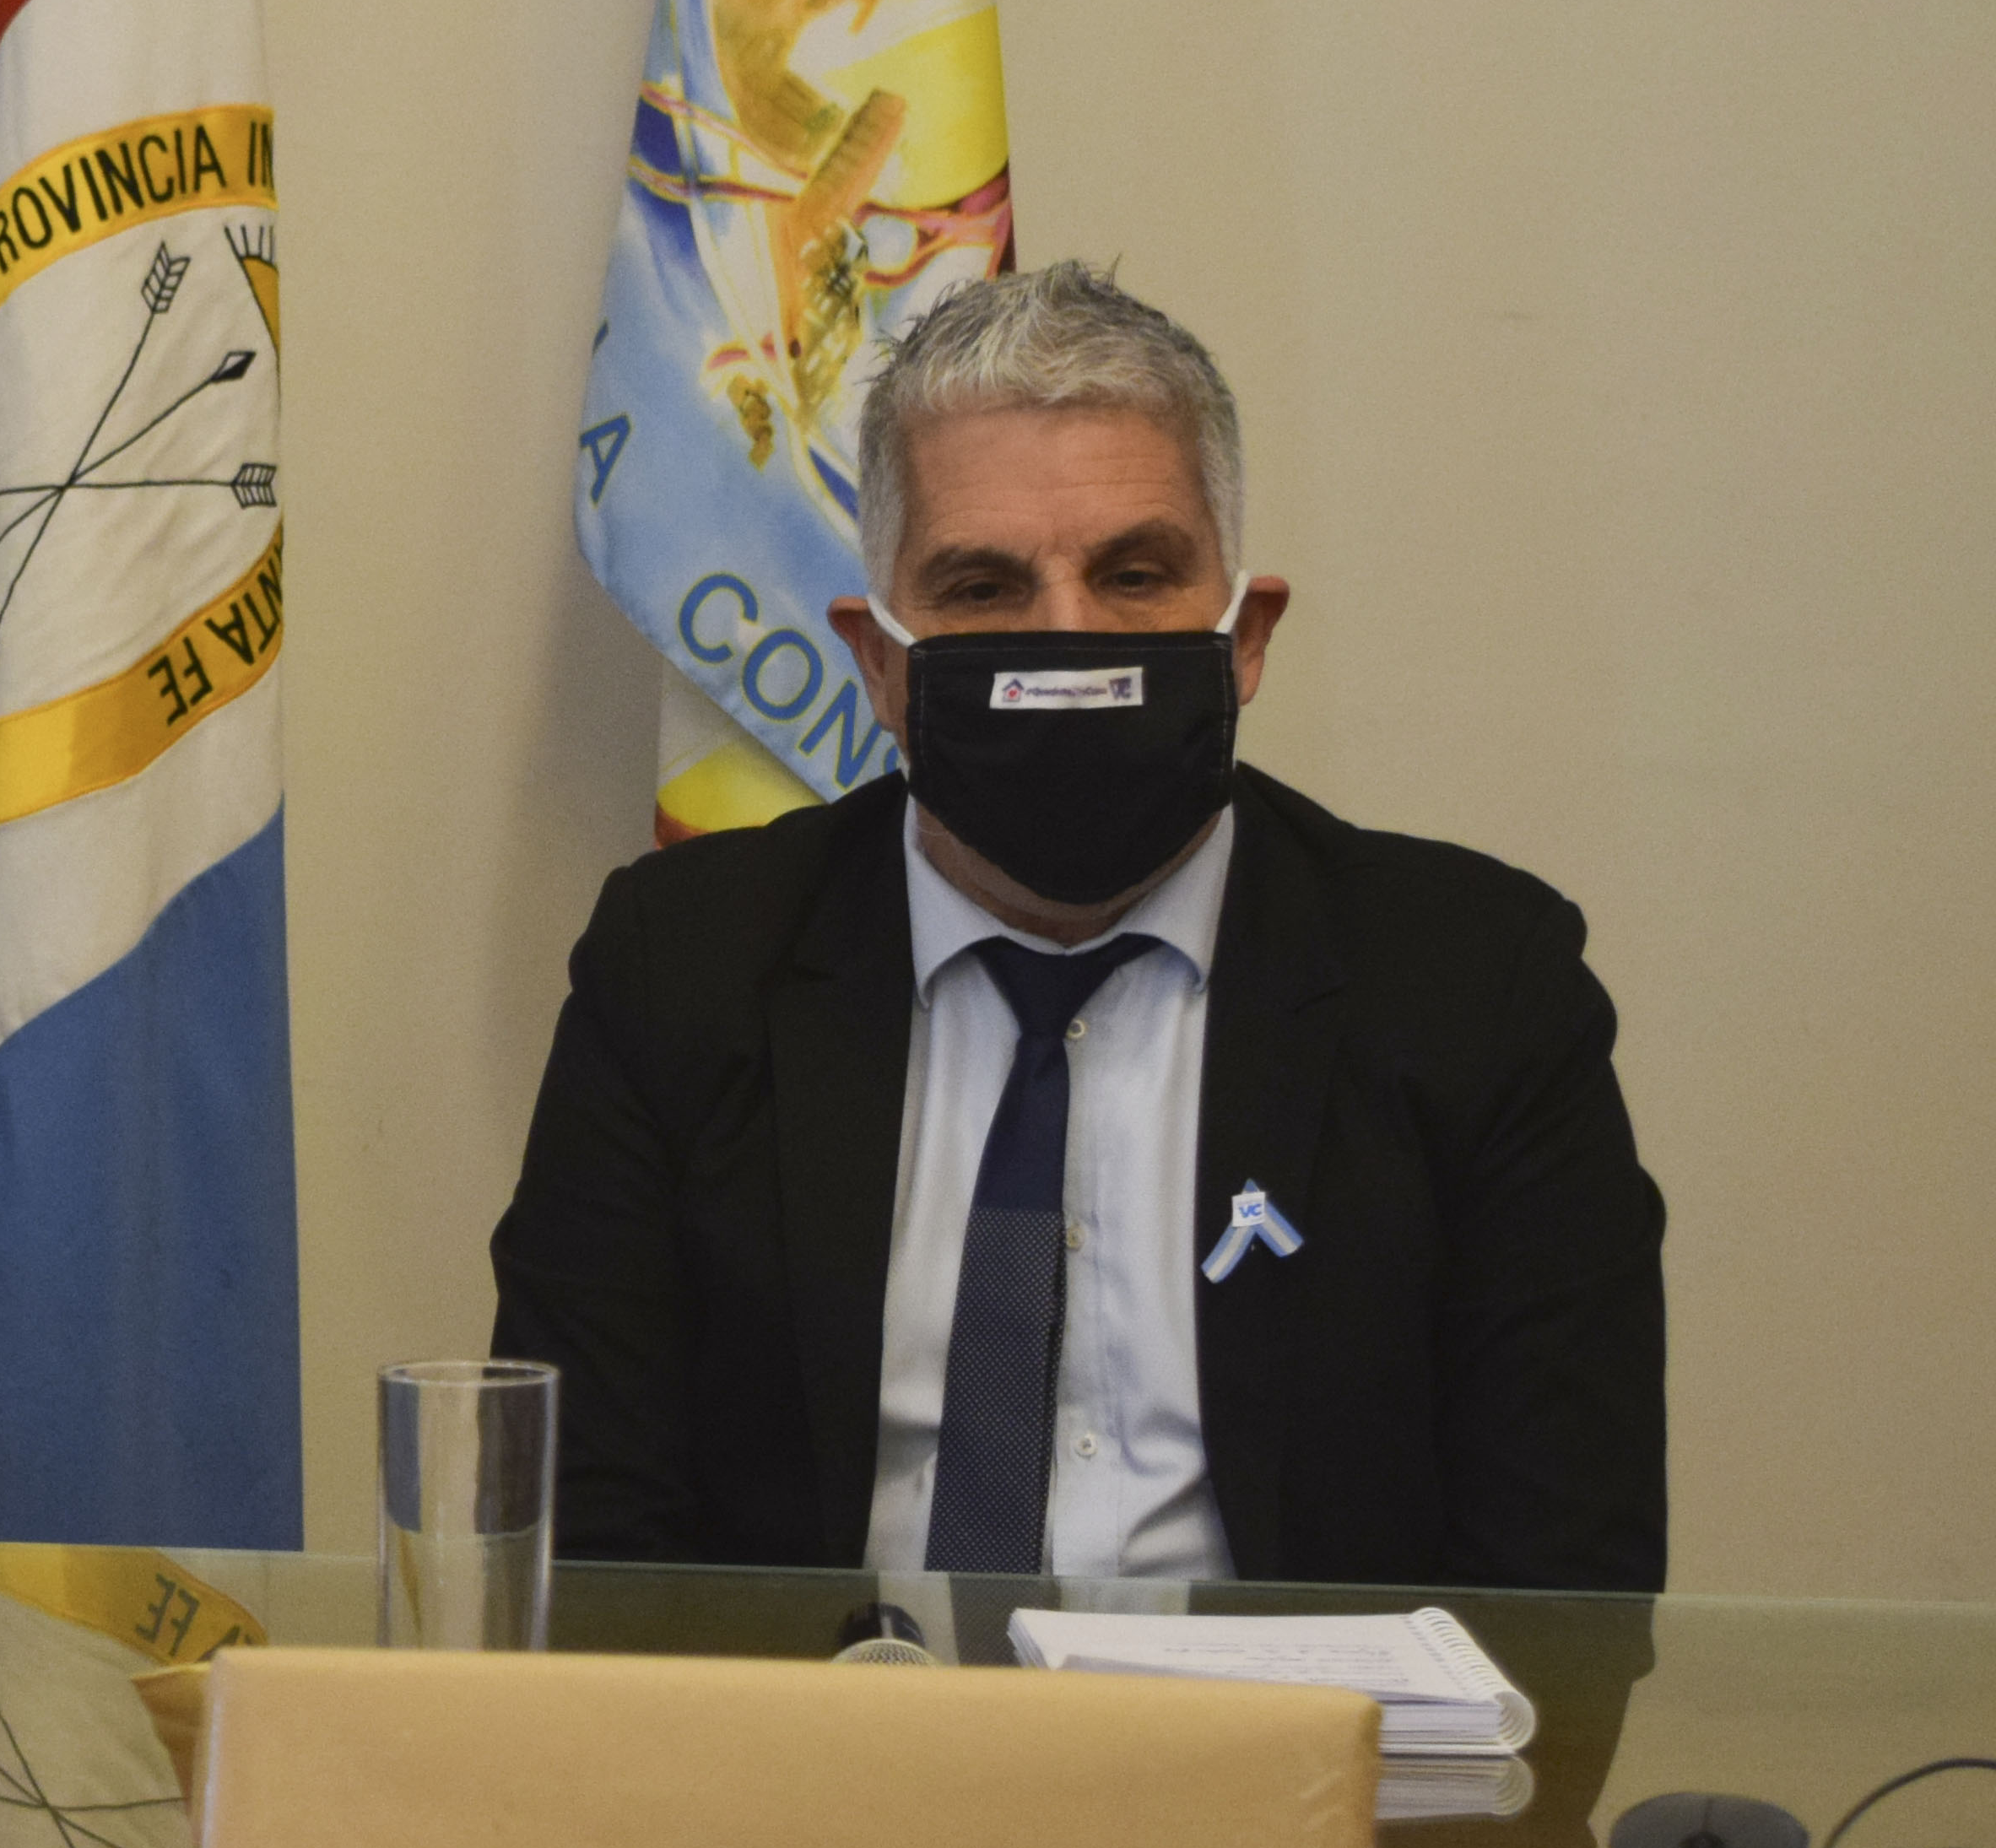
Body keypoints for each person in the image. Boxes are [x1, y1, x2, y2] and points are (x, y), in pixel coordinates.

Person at [489, 263, 1664, 1591]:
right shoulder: (684, 968)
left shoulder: (1478, 986)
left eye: (1135, 574)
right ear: (879, 664)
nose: (1068, 641)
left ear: (1246, 637)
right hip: (846, 1716)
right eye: (984, 588)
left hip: (1296, 1723)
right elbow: (587, 1539)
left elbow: (1567, 1578)